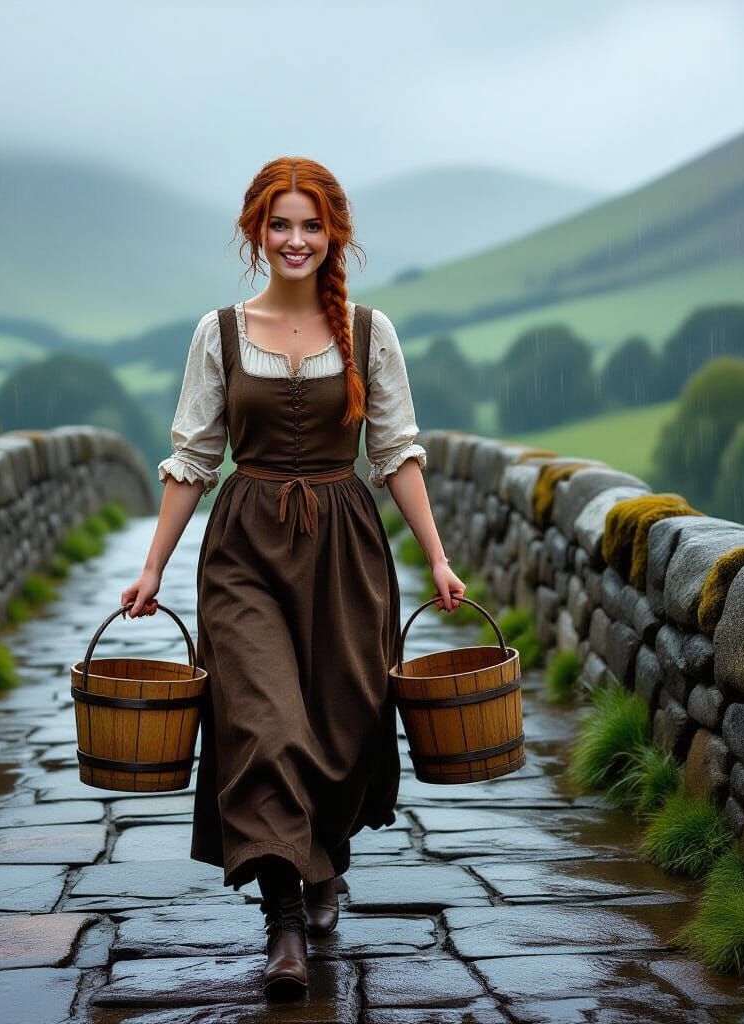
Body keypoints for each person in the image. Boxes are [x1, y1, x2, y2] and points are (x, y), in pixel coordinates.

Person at [120, 156, 466, 1001]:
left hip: (347, 552)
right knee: (262, 723)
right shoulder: (221, 332)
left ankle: (323, 867)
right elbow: (194, 457)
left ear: (333, 233)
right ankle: (282, 923)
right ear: (256, 232)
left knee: (345, 728)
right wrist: (154, 564)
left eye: (312, 225)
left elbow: (396, 453)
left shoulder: (369, 331)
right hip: (244, 553)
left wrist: (439, 554)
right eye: (282, 224)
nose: (297, 240)